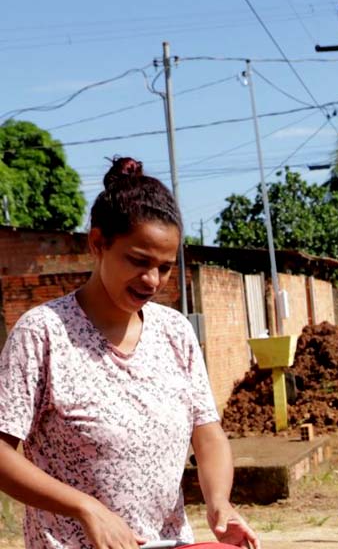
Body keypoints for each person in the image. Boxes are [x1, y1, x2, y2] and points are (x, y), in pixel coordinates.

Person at [0, 157, 258, 549]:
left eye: (165, 268)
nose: (152, 280)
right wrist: (86, 508)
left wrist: (220, 503)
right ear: (98, 243)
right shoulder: (44, 333)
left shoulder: (175, 332)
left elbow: (206, 432)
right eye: (138, 261)